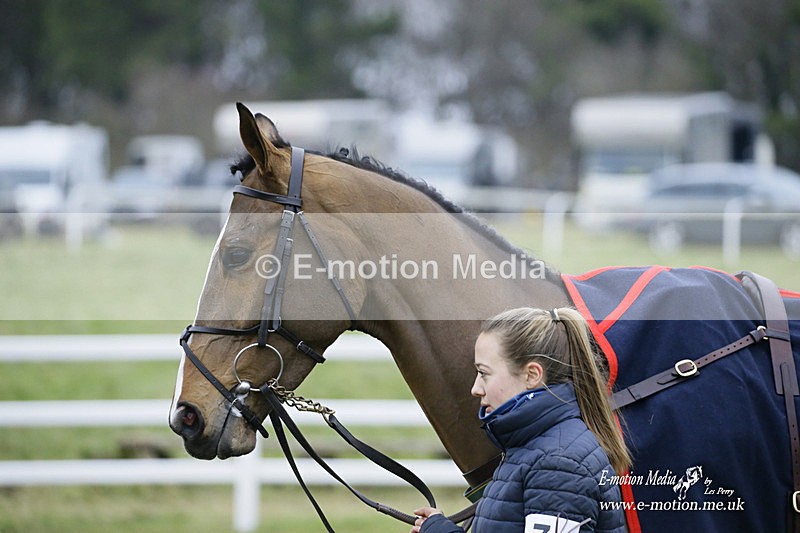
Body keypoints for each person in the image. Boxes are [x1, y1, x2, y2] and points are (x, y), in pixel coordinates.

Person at [412, 307, 630, 533]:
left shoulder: (557, 463)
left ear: (532, 375)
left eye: (484, 373)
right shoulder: (536, 448)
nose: (475, 389)